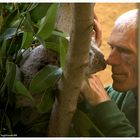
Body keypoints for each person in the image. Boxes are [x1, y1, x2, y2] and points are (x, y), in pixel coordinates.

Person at [81, 9, 138, 136]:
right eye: (112, 47)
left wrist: (103, 107)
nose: (109, 60)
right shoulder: (123, 93)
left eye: (124, 51)